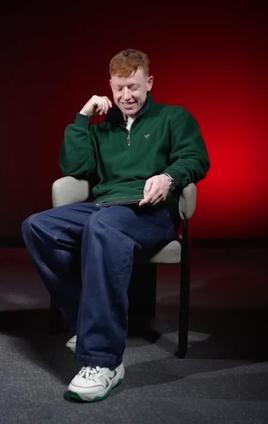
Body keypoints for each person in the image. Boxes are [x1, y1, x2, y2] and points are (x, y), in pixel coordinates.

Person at [21, 49, 209, 402]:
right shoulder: (102, 129)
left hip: (150, 211)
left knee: (103, 226)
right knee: (37, 227)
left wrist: (169, 177)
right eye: (120, 88)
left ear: (149, 83)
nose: (126, 96)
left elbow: (196, 159)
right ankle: (86, 322)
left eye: (133, 87)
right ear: (110, 86)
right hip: (105, 207)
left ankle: (103, 361)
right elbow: (75, 167)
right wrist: (82, 118)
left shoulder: (173, 118)